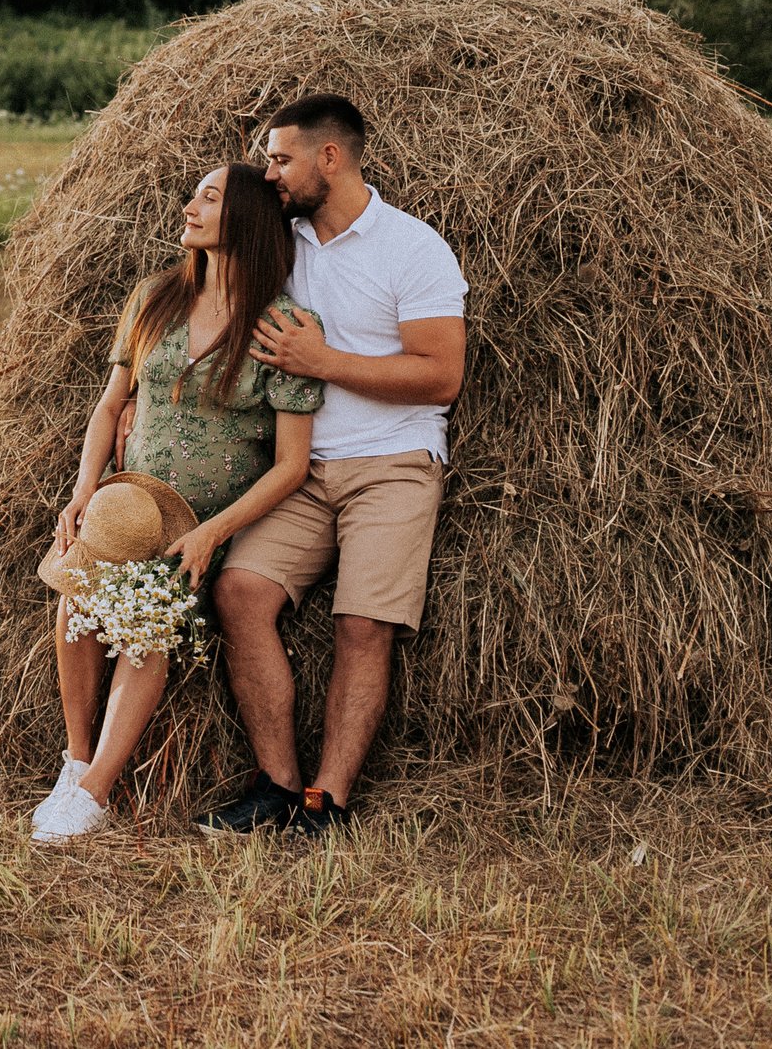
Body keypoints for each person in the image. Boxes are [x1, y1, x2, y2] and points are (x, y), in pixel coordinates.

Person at [196, 94, 467, 837]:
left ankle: (327, 800)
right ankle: (276, 785)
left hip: (393, 464)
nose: (269, 172)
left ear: (331, 157)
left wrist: (323, 362)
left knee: (361, 625)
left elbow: (441, 375)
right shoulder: (280, 240)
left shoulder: (413, 248)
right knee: (241, 592)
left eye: (280, 158)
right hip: (303, 469)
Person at [32, 163, 324, 843]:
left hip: (202, 517)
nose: (189, 205)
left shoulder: (281, 326)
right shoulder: (154, 297)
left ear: (245, 219)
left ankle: (97, 790)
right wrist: (82, 491)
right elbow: (110, 405)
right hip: (131, 499)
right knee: (77, 589)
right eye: (193, 192)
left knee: (147, 616)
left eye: (209, 197)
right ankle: (75, 765)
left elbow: (292, 464)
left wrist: (213, 533)